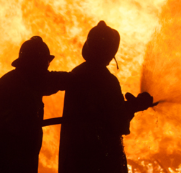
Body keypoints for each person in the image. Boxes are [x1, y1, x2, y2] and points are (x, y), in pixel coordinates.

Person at [58, 21, 155, 173]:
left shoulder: (77, 73)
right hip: (99, 162)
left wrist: (129, 106)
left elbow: (99, 111)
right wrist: (134, 106)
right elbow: (118, 123)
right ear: (110, 51)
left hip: (73, 160)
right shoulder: (106, 80)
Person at [0, 36, 66, 173]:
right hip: (1, 166)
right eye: (44, 65)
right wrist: (12, 121)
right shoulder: (10, 84)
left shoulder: (33, 82)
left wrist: (80, 78)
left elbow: (56, 80)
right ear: (34, 65)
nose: (46, 70)